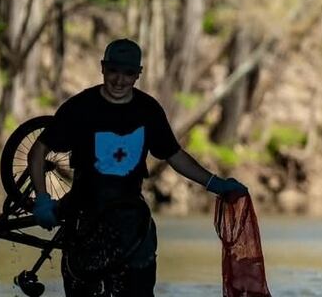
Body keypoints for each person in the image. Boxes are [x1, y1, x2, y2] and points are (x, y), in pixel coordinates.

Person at [27, 38, 248, 297]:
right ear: (103, 68)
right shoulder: (80, 107)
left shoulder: (148, 110)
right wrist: (42, 198)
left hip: (131, 219)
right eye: (114, 71)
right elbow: (38, 152)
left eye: (128, 73)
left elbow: (174, 155)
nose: (120, 80)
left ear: (138, 74)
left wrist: (215, 184)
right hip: (84, 215)